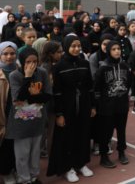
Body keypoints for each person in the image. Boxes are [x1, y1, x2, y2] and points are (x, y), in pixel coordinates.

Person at [47, 35, 96, 182]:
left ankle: (81, 164)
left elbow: (89, 86)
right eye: (73, 46)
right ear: (67, 47)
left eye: (78, 46)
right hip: (67, 108)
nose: (76, 49)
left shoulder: (84, 64)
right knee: (67, 138)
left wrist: (92, 105)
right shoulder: (59, 67)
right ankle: (68, 168)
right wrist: (59, 114)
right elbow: (57, 92)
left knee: (83, 135)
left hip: (83, 105)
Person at [6, 47, 52, 184]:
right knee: (22, 154)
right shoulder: (15, 75)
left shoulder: (42, 72)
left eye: (35, 61)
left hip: (37, 120)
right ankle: (24, 179)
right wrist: (27, 77)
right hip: (20, 122)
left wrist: (31, 98)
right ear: (21, 61)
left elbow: (47, 96)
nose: (31, 65)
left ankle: (33, 176)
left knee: (35, 152)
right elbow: (18, 98)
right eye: (28, 62)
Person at [94, 40, 131, 168]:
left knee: (121, 130)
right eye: (114, 49)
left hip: (122, 105)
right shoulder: (103, 68)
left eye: (118, 49)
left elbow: (129, 83)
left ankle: (121, 152)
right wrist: (99, 104)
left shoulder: (125, 66)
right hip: (107, 107)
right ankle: (104, 157)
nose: (117, 51)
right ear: (109, 51)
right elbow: (96, 87)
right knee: (106, 133)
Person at [0, 42, 18, 184]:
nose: (9, 57)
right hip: (3, 113)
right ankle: (5, 172)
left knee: (16, 143)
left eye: (12, 53)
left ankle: (14, 168)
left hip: (18, 113)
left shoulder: (20, 69)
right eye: (5, 53)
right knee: (5, 143)